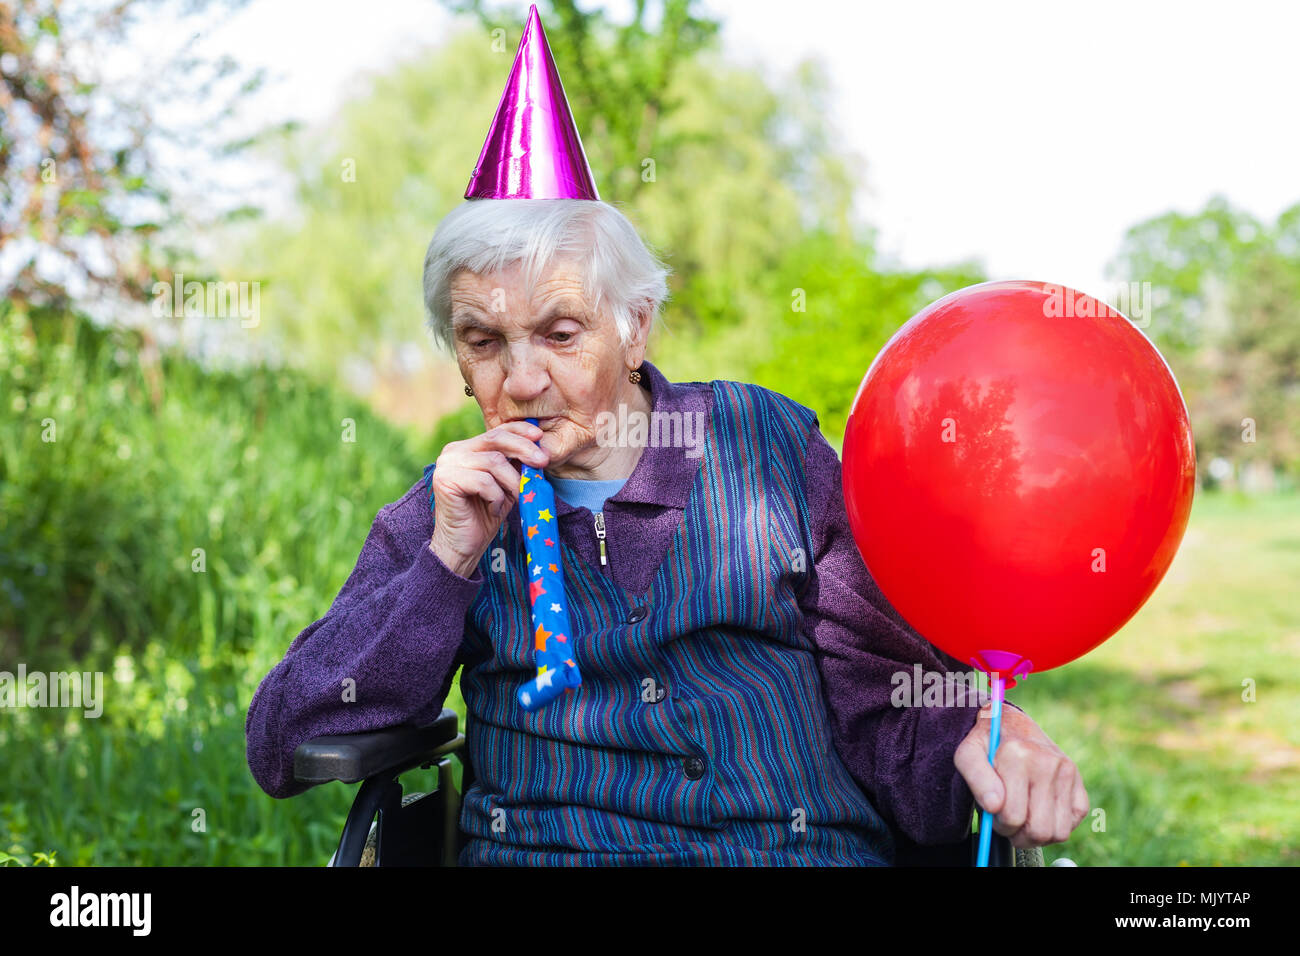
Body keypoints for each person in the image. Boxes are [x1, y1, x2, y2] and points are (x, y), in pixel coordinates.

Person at [244, 5, 1088, 866]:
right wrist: (445, 567)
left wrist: (991, 741)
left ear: (635, 327)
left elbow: (890, 700)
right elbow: (285, 743)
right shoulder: (446, 509)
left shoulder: (768, 450)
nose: (523, 379)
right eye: (484, 341)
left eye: (560, 334)